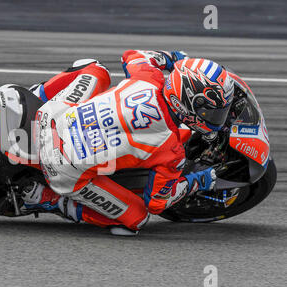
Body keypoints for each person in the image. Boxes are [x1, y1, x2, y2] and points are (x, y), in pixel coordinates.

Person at [21, 50, 235, 235]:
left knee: (95, 68)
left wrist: (172, 58)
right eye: (210, 111)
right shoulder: (171, 150)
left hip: (50, 116)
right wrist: (199, 181)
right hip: (60, 169)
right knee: (137, 219)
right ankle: (49, 200)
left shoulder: (148, 76)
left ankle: (36, 96)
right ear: (188, 103)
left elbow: (132, 55)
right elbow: (158, 203)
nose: (215, 118)